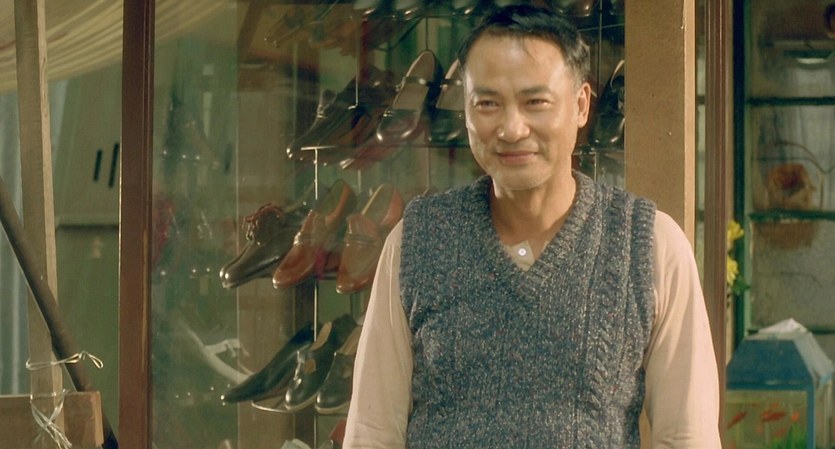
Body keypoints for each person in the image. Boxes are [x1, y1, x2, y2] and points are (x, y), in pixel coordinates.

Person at [343, 4, 720, 448]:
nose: (511, 128)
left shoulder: (650, 244)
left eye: (535, 102)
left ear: (581, 105)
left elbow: (686, 436)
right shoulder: (417, 241)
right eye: (487, 104)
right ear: (465, 110)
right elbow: (372, 433)